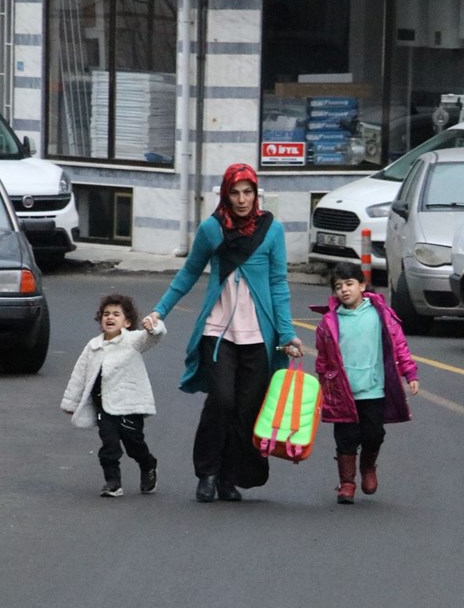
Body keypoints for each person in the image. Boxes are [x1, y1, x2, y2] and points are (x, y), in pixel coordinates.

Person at [145, 163, 304, 503]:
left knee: (247, 408)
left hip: (260, 336)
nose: (242, 199)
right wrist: (160, 310)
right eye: (235, 192)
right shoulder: (212, 230)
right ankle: (208, 473)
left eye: (248, 192)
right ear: (225, 194)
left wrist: (287, 333)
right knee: (222, 401)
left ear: (256, 194)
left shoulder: (271, 230)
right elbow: (188, 274)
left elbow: (278, 284)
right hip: (218, 333)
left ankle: (228, 478)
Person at [311, 263, 419, 504]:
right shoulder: (329, 322)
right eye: (338, 287)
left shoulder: (380, 315)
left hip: (373, 389)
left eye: (349, 284)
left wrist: (410, 374)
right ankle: (347, 484)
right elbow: (322, 358)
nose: (344, 290)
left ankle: (368, 467)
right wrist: (323, 385)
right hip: (343, 391)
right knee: (345, 438)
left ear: (362, 285)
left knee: (373, 434)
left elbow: (399, 346)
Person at [61, 294, 166, 497]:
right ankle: (113, 482)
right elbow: (80, 375)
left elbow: (153, 337)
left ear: (126, 321)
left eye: (116, 314)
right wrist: (71, 402)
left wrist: (154, 326)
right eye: (106, 314)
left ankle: (148, 465)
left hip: (129, 406)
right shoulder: (93, 347)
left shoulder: (133, 340)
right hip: (104, 407)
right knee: (109, 445)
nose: (110, 317)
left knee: (134, 444)